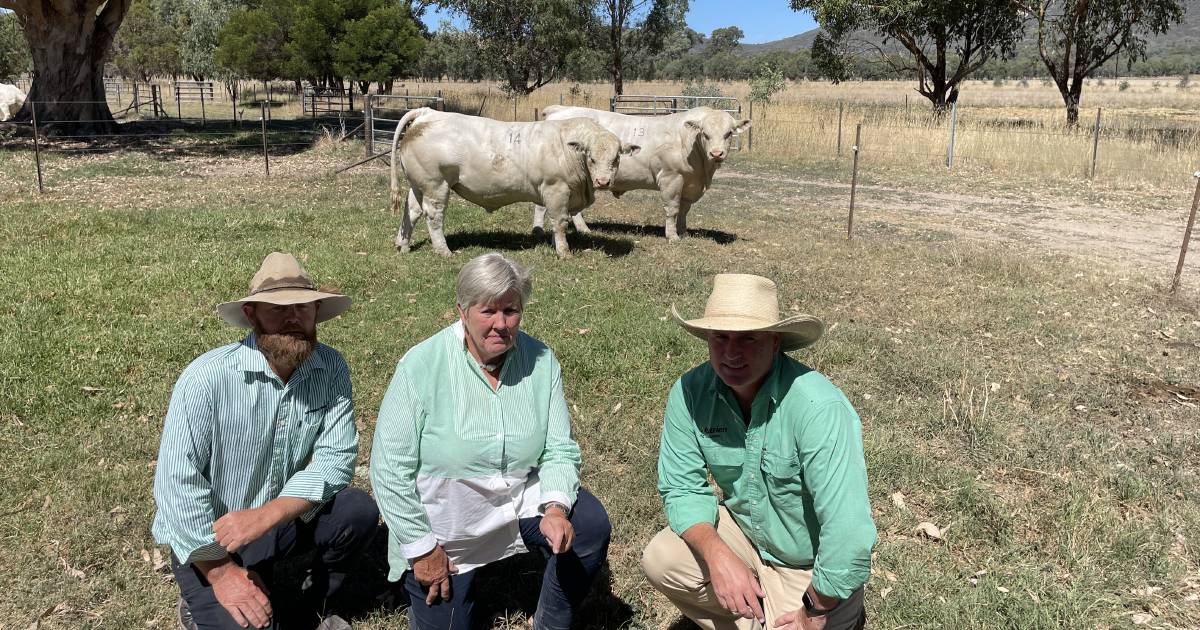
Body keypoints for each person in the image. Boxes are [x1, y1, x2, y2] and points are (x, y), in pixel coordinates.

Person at [370, 252, 611, 630]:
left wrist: (556, 509)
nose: (501, 324)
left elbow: (559, 449)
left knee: (591, 525)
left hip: (516, 501)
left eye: (511, 311)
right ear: (462, 311)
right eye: (488, 311)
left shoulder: (541, 360)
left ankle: (550, 621)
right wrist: (422, 548)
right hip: (447, 525)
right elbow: (388, 470)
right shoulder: (421, 365)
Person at [152, 252, 379, 630]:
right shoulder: (207, 379)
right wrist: (222, 573)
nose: (293, 318)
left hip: (274, 519)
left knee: (357, 512)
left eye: (302, 308)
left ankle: (309, 603)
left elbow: (337, 458)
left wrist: (267, 515)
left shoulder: (331, 367)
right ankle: (201, 602)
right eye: (278, 308)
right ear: (253, 314)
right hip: (212, 536)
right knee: (251, 622)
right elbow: (176, 488)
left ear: (316, 311)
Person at [641, 273, 876, 630]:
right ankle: (755, 614)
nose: (732, 353)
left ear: (775, 340)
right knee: (662, 558)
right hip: (745, 537)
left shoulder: (818, 408)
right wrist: (718, 554)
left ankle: (830, 613)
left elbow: (849, 533)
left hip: (808, 567)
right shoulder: (690, 393)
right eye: (720, 337)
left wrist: (814, 608)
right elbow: (681, 488)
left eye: (748, 339)